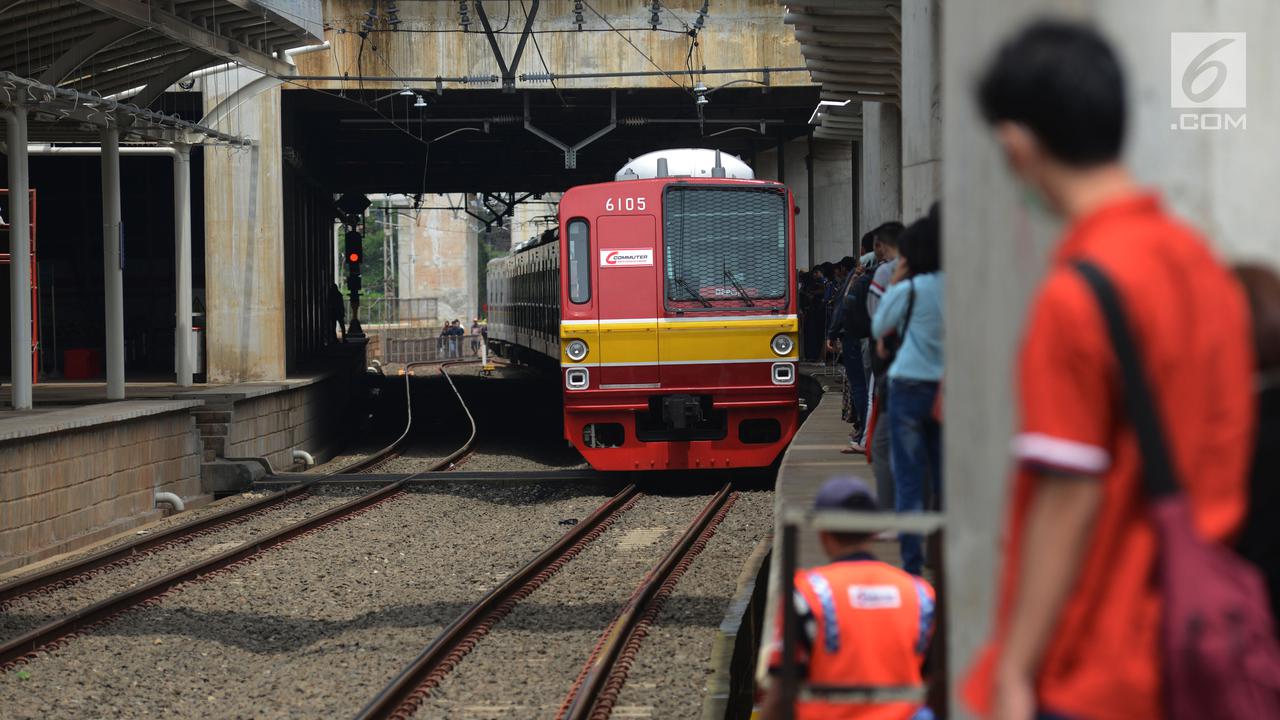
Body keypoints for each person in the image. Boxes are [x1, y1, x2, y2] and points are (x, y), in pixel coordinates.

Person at [962, 21, 1255, 720]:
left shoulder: (1077, 295)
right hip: (1206, 639)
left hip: (1100, 661)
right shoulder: (1202, 266)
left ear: (1016, 143)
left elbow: (1070, 493)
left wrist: (1014, 668)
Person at [760, 477, 936, 720]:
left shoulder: (807, 594)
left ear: (822, 531)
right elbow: (937, 680)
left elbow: (782, 690)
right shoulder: (920, 594)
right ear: (874, 530)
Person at [871, 206, 943, 577]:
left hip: (908, 386)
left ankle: (913, 564)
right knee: (942, 476)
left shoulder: (911, 288)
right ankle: (942, 554)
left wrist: (899, 278)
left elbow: (880, 324)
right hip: (946, 390)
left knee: (910, 476)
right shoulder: (956, 287)